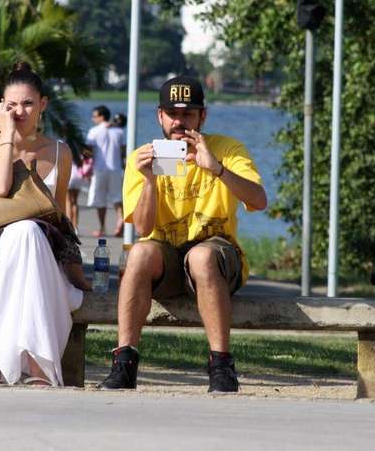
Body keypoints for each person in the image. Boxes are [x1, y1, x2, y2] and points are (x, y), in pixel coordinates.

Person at [99, 76, 267, 393]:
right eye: (172, 114)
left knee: (201, 256)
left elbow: (259, 201)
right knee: (139, 252)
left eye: (188, 114)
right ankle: (124, 362)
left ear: (202, 117)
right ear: (160, 116)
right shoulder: (143, 157)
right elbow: (145, 228)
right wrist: (149, 180)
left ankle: (221, 366)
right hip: (168, 260)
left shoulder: (226, 149)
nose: (180, 122)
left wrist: (216, 168)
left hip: (216, 256)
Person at [0, 61, 88, 387]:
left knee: (31, 233)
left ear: (43, 104)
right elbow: (0, 187)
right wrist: (7, 137)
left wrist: (76, 269)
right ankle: (36, 365)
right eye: (11, 105)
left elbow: (59, 218)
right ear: (0, 108)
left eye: (28, 103)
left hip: (44, 255)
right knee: (24, 231)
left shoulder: (60, 152)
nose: (19, 112)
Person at [86, 105, 125, 237]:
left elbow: (88, 151)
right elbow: (123, 151)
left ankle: (102, 228)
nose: (93, 119)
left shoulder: (94, 131)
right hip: (115, 168)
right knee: (117, 197)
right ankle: (121, 221)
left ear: (102, 117)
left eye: (94, 116)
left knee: (100, 199)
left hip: (100, 169)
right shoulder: (119, 132)